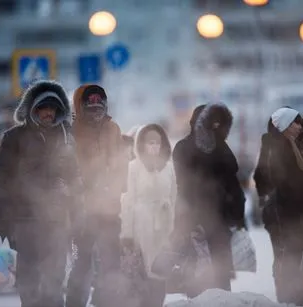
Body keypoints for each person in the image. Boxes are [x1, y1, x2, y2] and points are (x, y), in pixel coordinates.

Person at [0, 80, 82, 307]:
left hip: (58, 222)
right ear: (32, 109)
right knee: (29, 282)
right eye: (42, 108)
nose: (48, 113)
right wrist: (2, 219)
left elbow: (76, 179)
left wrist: (76, 211)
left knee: (55, 279)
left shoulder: (66, 139)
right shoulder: (12, 138)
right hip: (25, 221)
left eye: (52, 108)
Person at [172, 103, 245, 296]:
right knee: (197, 277)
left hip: (219, 223)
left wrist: (237, 215)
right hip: (195, 223)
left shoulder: (221, 147)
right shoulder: (184, 147)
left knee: (220, 280)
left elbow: (233, 184)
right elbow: (182, 186)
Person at [67, 84, 128, 307]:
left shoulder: (113, 128)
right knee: (81, 262)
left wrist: (117, 186)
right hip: (81, 210)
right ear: (80, 105)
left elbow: (121, 162)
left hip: (109, 207)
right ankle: (74, 303)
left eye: (98, 101)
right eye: (89, 102)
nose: (95, 106)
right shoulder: (72, 130)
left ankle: (107, 302)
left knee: (111, 262)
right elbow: (67, 167)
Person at [120, 124, 177, 307]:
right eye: (150, 143)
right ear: (142, 144)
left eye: (157, 143)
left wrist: (173, 230)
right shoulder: (133, 168)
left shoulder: (169, 168)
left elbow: (174, 199)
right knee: (140, 276)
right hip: (140, 226)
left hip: (163, 227)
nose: (154, 146)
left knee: (160, 275)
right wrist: (127, 234)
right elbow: (128, 200)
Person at [264, 107, 303, 307]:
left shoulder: (292, 145)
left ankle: (297, 298)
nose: (299, 127)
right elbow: (283, 183)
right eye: (296, 123)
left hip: (298, 213)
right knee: (294, 259)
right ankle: (293, 299)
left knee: (299, 258)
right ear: (285, 125)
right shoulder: (280, 148)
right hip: (290, 215)